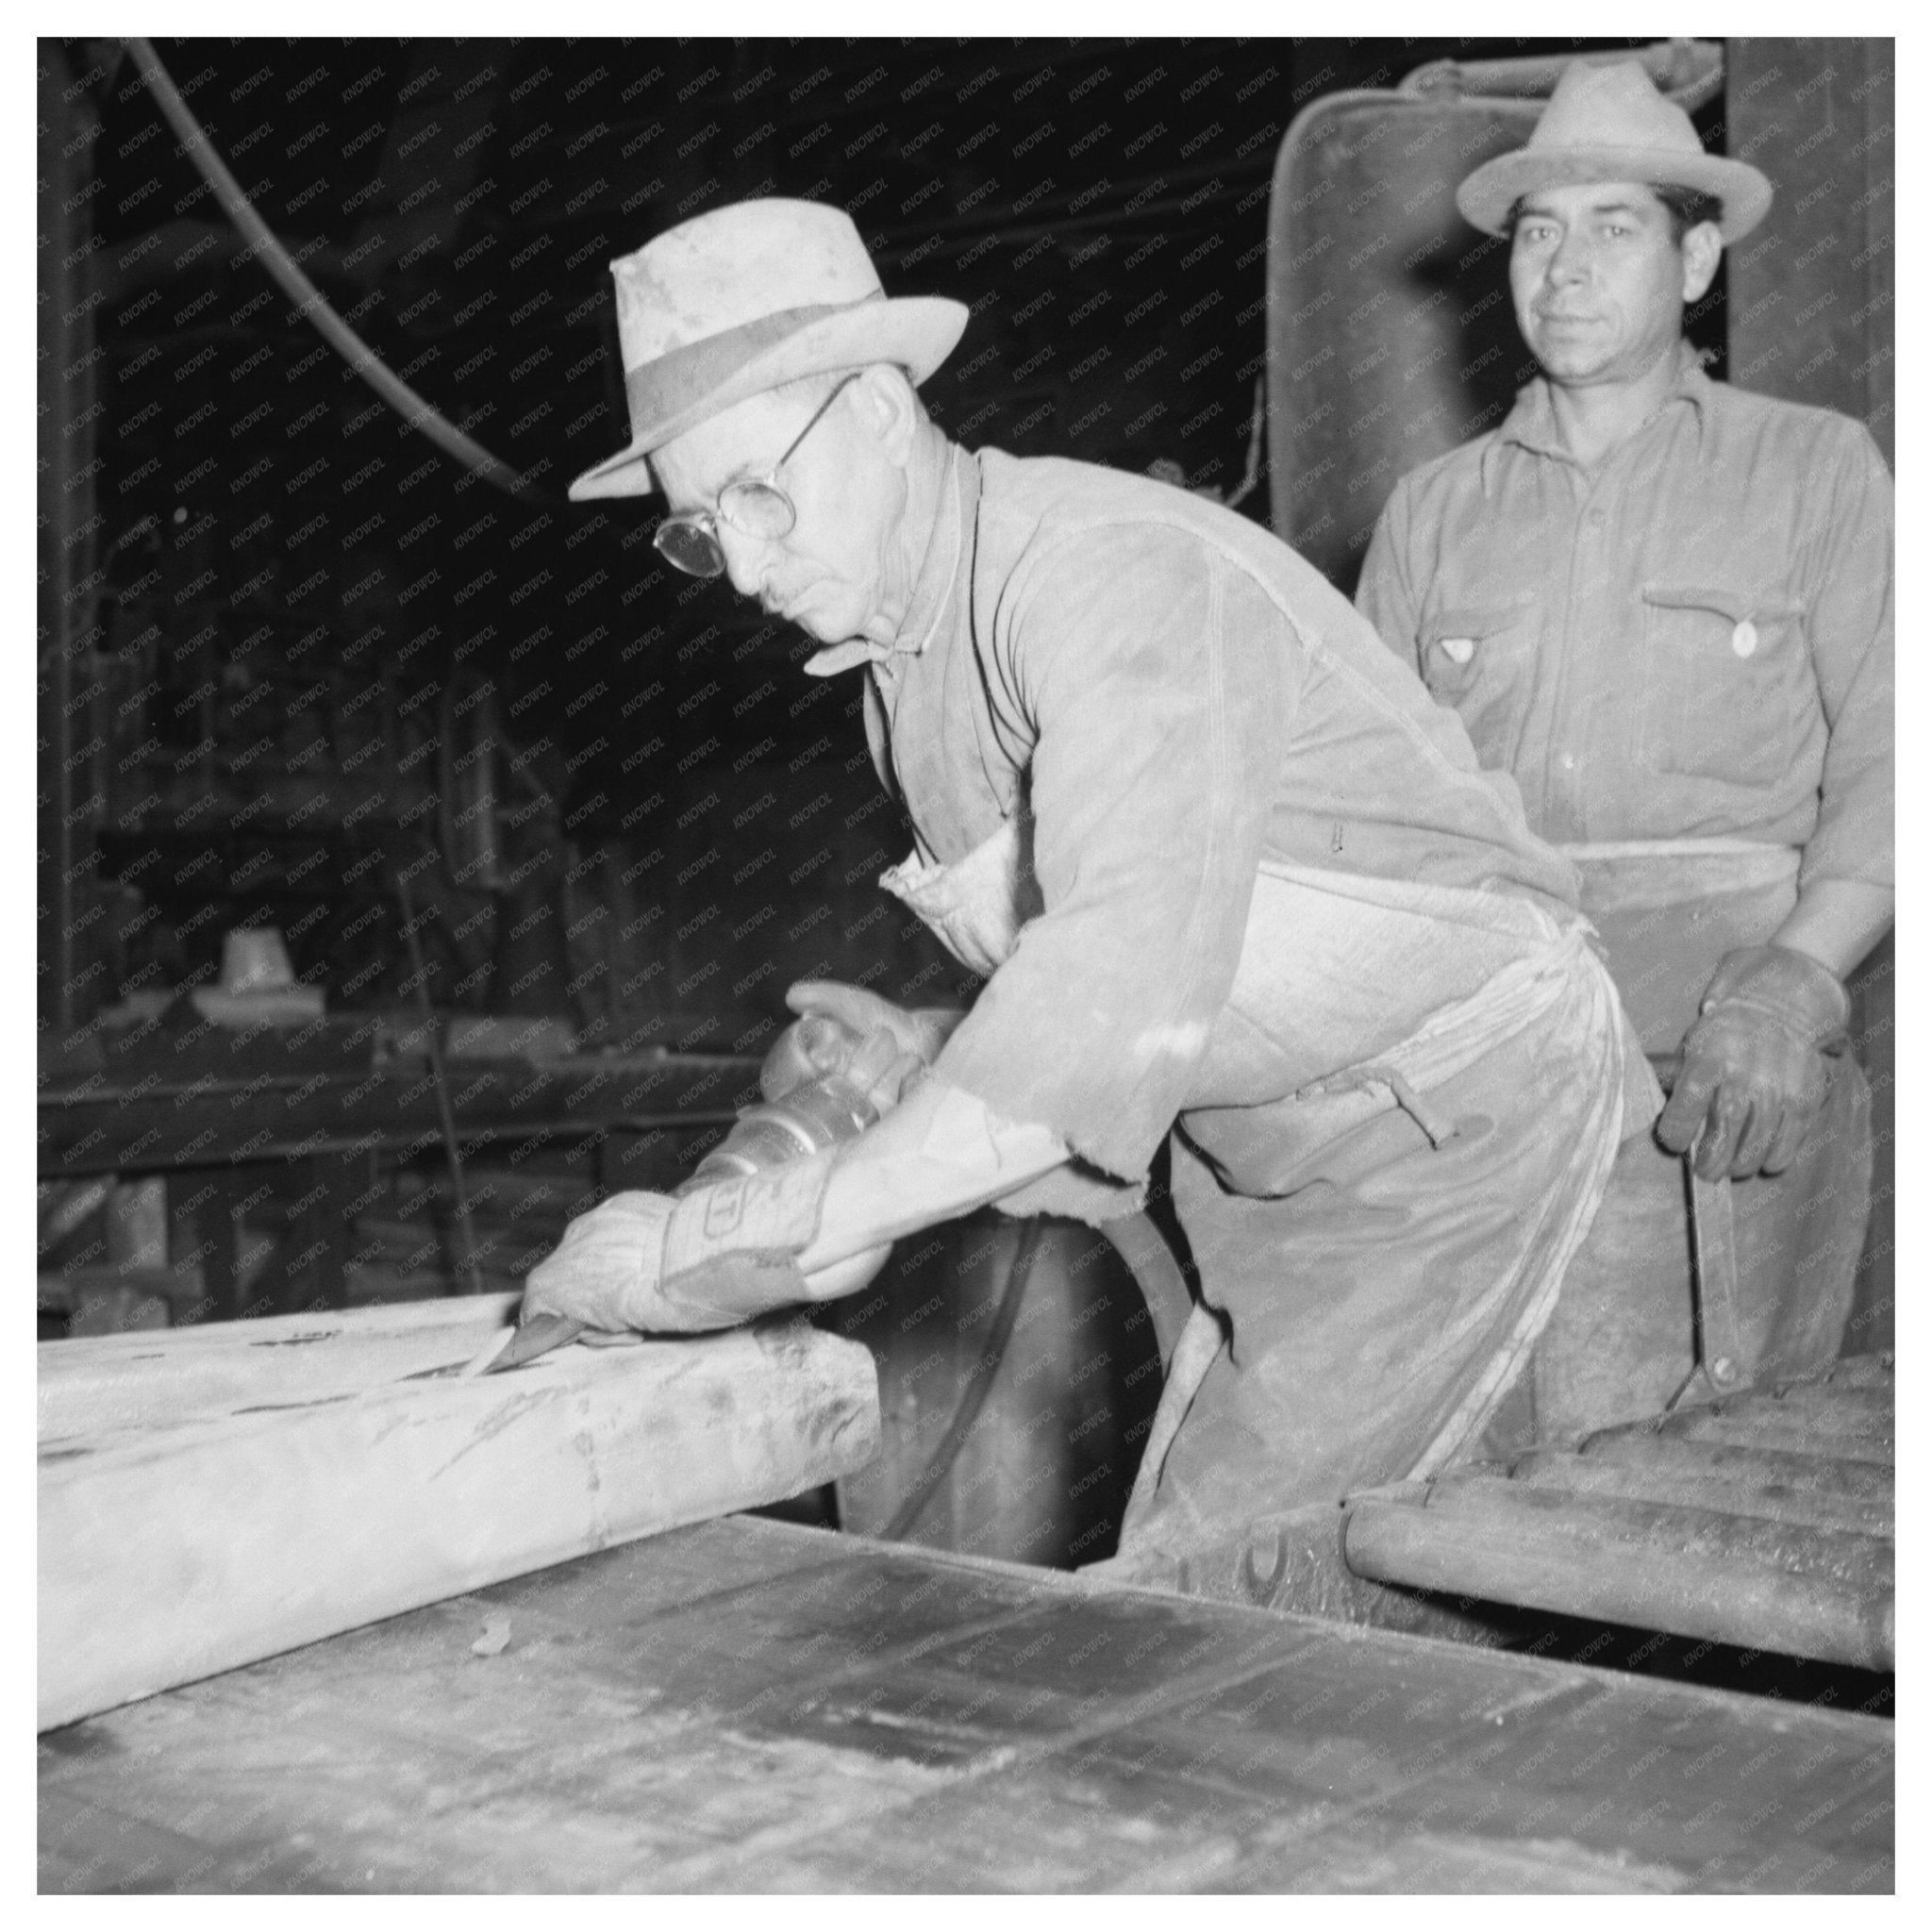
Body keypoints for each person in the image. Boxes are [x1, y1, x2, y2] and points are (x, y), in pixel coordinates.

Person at [525, 196, 1656, 1591]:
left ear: (880, 410)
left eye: (759, 496)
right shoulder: (904, 668)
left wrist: (709, 1245)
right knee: (1208, 1586)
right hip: (1260, 1152)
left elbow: (1122, 979)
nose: (745, 568)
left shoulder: (1105, 573)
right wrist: (939, 1047)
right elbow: (1131, 947)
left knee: (1223, 1604)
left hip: (1445, 1129)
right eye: (701, 532)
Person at [1356, 60, 1892, 1438]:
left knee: (1706, 1493)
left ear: (1697, 258)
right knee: (1458, 1495)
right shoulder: (1431, 514)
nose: (1566, 267)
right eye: (1541, 231)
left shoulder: (1814, 471)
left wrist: (1793, 985)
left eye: (1613, 227)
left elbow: (1906, 759)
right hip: (1484, 1072)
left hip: (1731, 1072)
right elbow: (1361, 812)